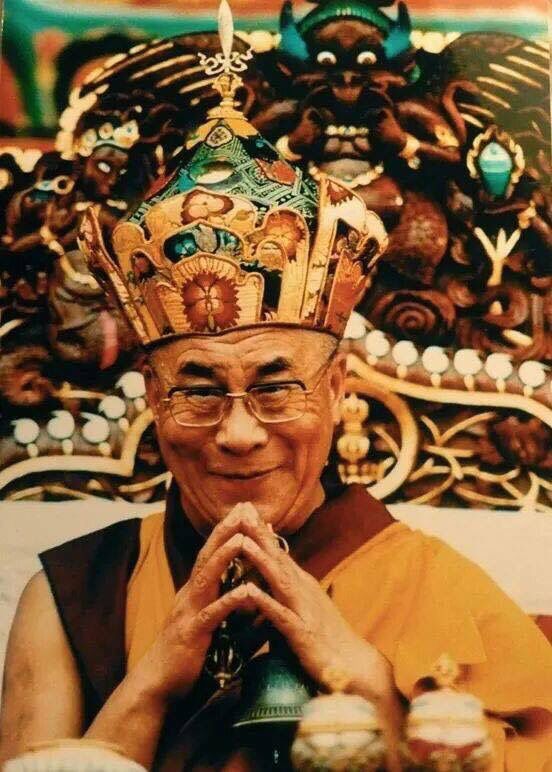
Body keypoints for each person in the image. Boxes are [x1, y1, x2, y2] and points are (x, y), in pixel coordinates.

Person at [1, 16, 551, 771]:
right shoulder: (71, 596)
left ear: (336, 390)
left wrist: (358, 672)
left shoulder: (432, 584)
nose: (236, 434)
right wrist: (156, 677)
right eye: (197, 392)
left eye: (275, 388)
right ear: (153, 402)